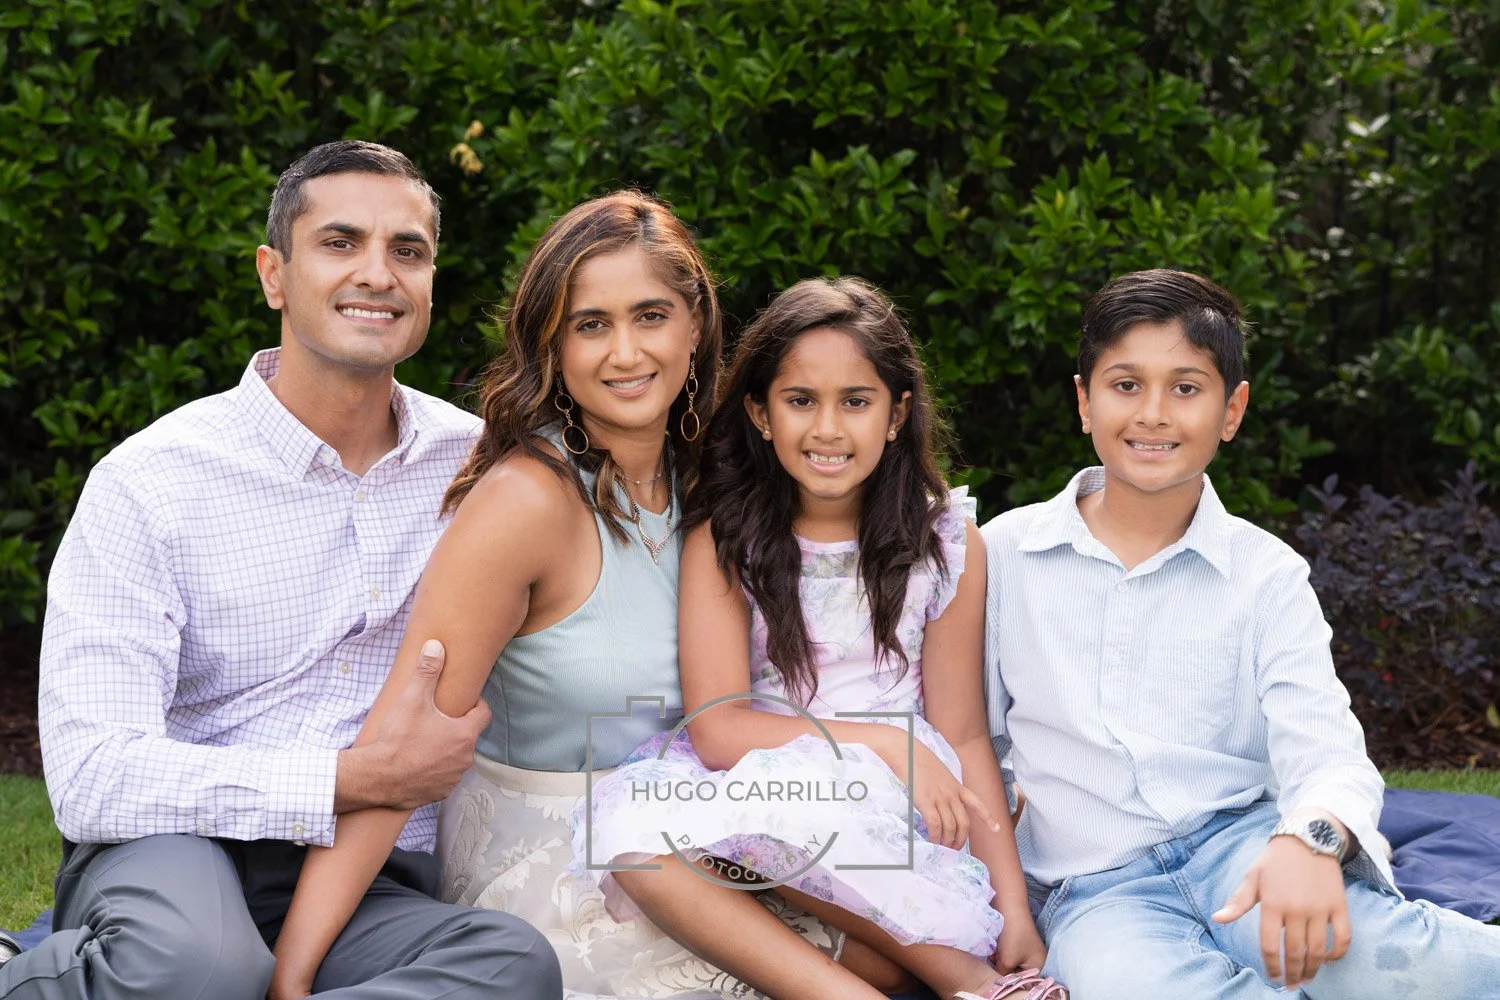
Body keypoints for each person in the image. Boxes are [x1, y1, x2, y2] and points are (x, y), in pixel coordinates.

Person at [0, 141, 562, 1000]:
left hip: (357, 881)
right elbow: (91, 776)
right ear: (275, 274)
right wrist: (346, 780)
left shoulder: (478, 472)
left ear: (432, 282)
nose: (378, 273)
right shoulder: (152, 483)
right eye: (340, 243)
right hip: (172, 851)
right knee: (198, 964)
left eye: (407, 251)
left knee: (511, 965)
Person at [268, 191, 846, 1000]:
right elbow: (397, 752)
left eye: (650, 315)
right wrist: (291, 976)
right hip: (554, 878)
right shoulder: (525, 503)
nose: (625, 353)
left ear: (695, 325)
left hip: (705, 852)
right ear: (553, 344)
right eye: (590, 324)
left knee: (903, 940)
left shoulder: (719, 479)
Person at [981, 268, 1500, 999]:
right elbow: (969, 742)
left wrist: (1311, 839)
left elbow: (1326, 750)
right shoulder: (1003, 554)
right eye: (1126, 385)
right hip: (1096, 895)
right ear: (1083, 401)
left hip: (1246, 850)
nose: (1154, 413)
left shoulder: (1266, 574)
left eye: (1186, 388)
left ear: (1232, 410)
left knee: (1424, 967)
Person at [578, 277, 1065, 1000]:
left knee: (858, 886)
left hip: (902, 805)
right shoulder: (727, 541)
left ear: (897, 414)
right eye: (801, 400)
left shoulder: (945, 543)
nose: (828, 430)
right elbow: (716, 732)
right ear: (760, 413)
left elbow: (963, 736)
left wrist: (1014, 902)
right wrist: (884, 742)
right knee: (632, 846)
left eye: (856, 402)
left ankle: (968, 981)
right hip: (764, 775)